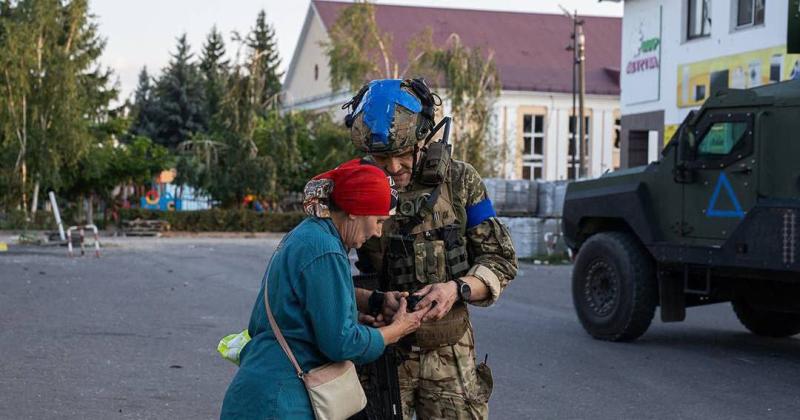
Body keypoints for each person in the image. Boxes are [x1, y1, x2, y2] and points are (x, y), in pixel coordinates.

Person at [345, 78, 519, 419]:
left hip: (450, 357)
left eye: (401, 154)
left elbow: (501, 258)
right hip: (384, 353)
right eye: (382, 158)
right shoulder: (358, 187)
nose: (393, 168)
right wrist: (371, 300)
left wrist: (456, 288)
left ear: (424, 138)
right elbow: (327, 269)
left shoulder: (461, 181)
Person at [220, 159, 426, 420]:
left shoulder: (310, 234)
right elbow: (341, 344)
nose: (377, 232)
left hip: (262, 393)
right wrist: (396, 330)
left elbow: (309, 301)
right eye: (378, 220)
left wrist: (372, 302)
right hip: (280, 402)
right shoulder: (325, 249)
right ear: (354, 210)